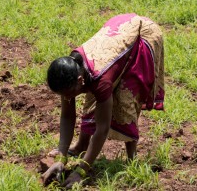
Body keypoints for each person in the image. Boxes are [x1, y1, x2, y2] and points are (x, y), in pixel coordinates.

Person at [42, 13, 165, 187]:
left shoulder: (101, 80)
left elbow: (102, 129)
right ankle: (81, 146)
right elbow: (67, 116)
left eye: (68, 94)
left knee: (125, 99)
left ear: (80, 81)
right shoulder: (72, 69)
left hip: (142, 36)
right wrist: (61, 155)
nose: (67, 98)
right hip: (119, 35)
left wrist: (81, 171)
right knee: (94, 99)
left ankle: (132, 160)